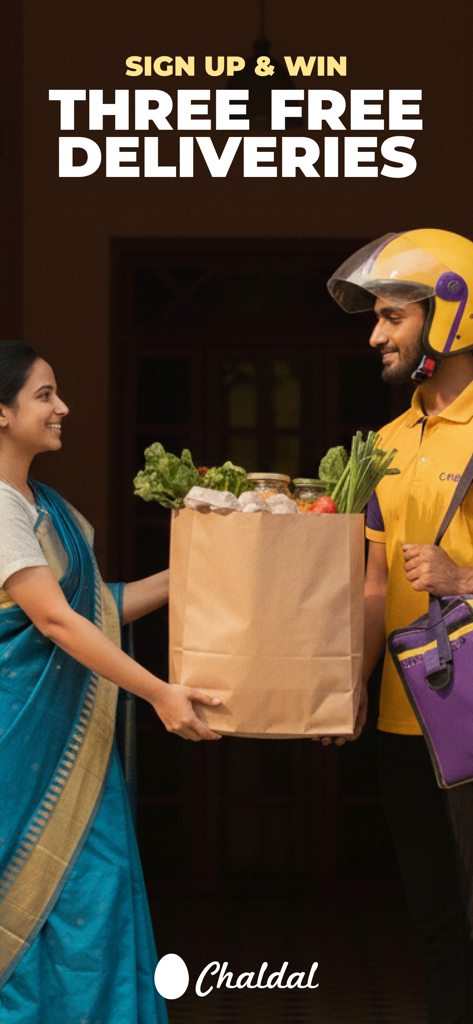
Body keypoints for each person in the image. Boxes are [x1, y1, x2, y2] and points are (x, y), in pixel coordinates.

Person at [0, 339, 221, 1023]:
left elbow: (101, 607)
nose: (62, 407)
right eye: (45, 394)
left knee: (92, 905)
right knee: (42, 918)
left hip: (71, 761)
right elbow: (58, 623)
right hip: (23, 754)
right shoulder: (0, 510)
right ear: (1, 412)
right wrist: (158, 692)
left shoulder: (43, 504)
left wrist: (205, 564)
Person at [325, 229, 473, 1024]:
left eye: (390, 317)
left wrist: (464, 579)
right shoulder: (382, 444)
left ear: (447, 315)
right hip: (401, 719)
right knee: (437, 924)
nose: (375, 335)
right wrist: (344, 688)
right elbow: (374, 582)